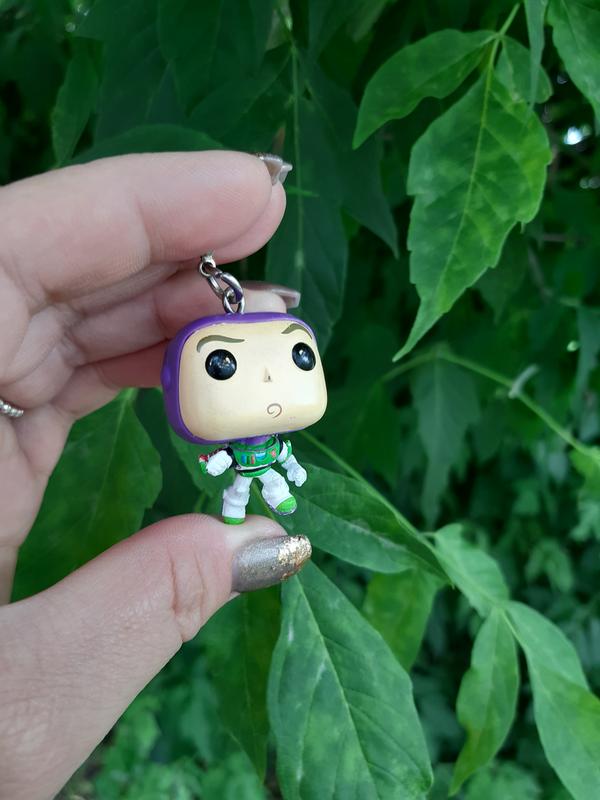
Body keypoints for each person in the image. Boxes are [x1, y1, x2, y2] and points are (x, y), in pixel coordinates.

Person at [0, 151, 312, 799]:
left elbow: (269, 441)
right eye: (224, 366)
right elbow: (217, 446)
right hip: (241, 460)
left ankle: (265, 498)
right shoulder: (207, 395)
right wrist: (222, 457)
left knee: (273, 480)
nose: (271, 386)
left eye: (300, 358)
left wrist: (275, 460)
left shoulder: (263, 415)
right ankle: (242, 512)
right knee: (241, 489)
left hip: (263, 456)